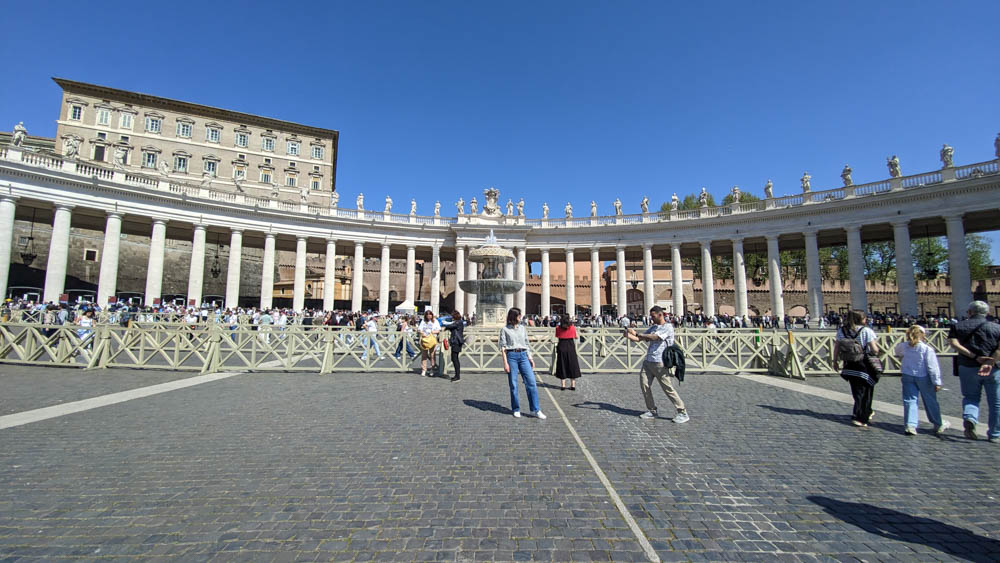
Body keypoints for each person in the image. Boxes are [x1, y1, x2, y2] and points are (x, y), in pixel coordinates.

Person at [626, 306, 689, 422]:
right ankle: (652, 410)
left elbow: (655, 337)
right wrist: (628, 335)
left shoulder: (668, 327)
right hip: (648, 361)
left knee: (667, 388)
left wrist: (637, 333)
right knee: (644, 385)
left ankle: (682, 412)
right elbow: (640, 339)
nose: (651, 318)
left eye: (653, 316)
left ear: (660, 315)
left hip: (661, 362)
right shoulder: (653, 327)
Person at [948, 300, 1000, 442]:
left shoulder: (957, 326)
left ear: (970, 312)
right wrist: (989, 361)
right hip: (992, 369)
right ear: (987, 313)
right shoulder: (997, 327)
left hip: (967, 366)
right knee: (996, 402)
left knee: (970, 397)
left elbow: (953, 343)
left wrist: (974, 357)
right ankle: (995, 434)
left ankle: (970, 417)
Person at [894, 325, 949, 436]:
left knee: (910, 400)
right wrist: (937, 382)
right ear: (922, 335)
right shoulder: (926, 349)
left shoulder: (903, 346)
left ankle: (910, 425)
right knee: (930, 401)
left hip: (907, 375)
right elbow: (932, 367)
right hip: (923, 376)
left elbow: (897, 351)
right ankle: (937, 423)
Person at [832, 309, 881, 427]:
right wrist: (878, 351)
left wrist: (835, 361)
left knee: (857, 391)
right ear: (861, 319)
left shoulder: (842, 330)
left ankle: (867, 411)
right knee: (866, 392)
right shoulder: (866, 331)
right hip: (863, 365)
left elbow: (837, 347)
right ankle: (859, 417)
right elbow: (874, 349)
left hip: (849, 364)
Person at [499, 307, 545, 419]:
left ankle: (535, 409)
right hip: (511, 356)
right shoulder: (504, 330)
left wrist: (530, 358)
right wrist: (505, 363)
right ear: (513, 316)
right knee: (513, 384)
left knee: (532, 382)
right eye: (519, 315)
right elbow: (503, 347)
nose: (521, 317)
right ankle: (516, 408)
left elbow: (526, 343)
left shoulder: (522, 328)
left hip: (523, 355)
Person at [554, 316, 582, 390]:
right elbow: (576, 337)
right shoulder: (572, 327)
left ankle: (563, 385)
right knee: (572, 364)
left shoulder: (558, 328)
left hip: (561, 345)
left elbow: (557, 336)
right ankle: (573, 385)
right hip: (570, 346)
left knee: (562, 364)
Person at [443, 310, 467, 382]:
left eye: (452, 316)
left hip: (457, 342)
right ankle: (457, 375)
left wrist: (445, 327)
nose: (452, 317)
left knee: (455, 359)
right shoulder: (458, 322)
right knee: (454, 358)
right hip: (456, 342)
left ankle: (457, 376)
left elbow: (451, 326)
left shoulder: (458, 322)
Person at [417, 310, 441, 376]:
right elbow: (419, 329)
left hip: (432, 339)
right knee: (424, 355)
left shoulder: (435, 321)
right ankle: (424, 369)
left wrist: (433, 332)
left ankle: (432, 369)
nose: (429, 316)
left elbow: (439, 330)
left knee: (432, 355)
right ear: (425, 315)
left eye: (430, 314)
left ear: (432, 315)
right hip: (425, 340)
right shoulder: (423, 321)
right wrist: (422, 333)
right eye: (427, 314)